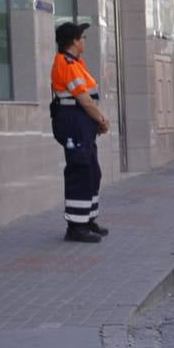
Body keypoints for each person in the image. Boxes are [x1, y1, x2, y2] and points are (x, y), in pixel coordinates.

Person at [50, 22, 109, 243]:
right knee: (80, 170)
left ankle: (87, 219)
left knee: (92, 170)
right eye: (82, 37)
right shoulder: (66, 63)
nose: (84, 40)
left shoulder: (76, 62)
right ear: (74, 41)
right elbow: (84, 100)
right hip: (74, 121)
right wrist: (101, 119)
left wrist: (96, 121)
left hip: (82, 122)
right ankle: (76, 227)